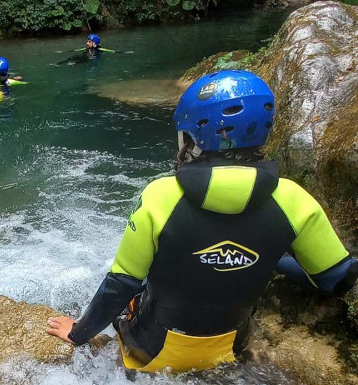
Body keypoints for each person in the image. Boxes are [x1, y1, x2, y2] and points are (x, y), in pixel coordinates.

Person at [46, 70, 358, 373]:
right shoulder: (293, 199)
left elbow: (121, 284)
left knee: (135, 289)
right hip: (232, 349)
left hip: (151, 351)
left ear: (195, 138)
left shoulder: (161, 195)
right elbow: (336, 279)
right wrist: (272, 258)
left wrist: (78, 333)